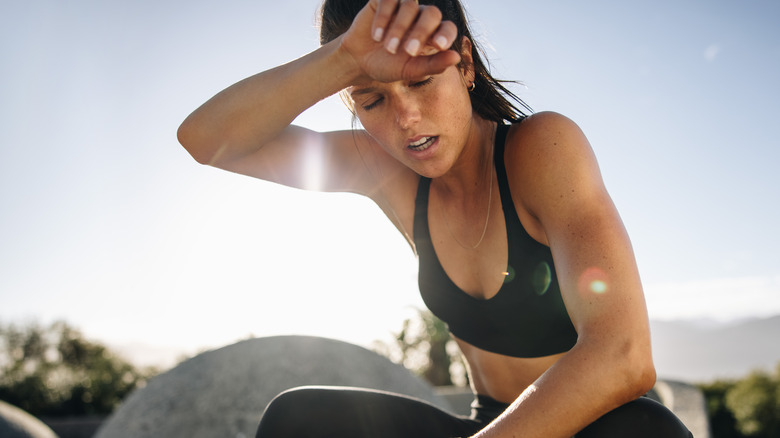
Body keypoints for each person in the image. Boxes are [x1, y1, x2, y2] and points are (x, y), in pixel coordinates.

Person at [177, 0, 693, 436]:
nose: (407, 119)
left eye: (422, 82)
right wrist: (344, 60)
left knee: (643, 431)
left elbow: (623, 355)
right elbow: (206, 140)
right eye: (373, 98)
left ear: (465, 64)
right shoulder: (382, 171)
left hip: (594, 428)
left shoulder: (540, 148)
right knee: (300, 418)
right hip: (489, 422)